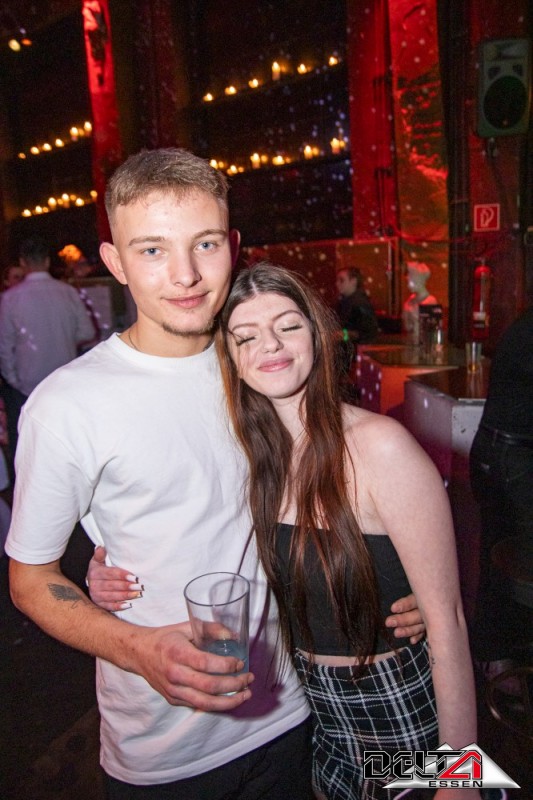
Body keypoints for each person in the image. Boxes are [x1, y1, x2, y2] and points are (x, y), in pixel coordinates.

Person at [6, 148, 424, 800]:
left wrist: (407, 581)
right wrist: (136, 647)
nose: (185, 275)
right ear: (114, 262)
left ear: (232, 247)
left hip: (296, 714)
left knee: (438, 777)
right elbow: (31, 580)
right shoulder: (66, 407)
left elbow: (337, 480)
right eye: (151, 250)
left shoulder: (258, 365)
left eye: (204, 244)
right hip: (165, 751)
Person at [88, 258, 478, 799]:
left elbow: (447, 620)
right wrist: (107, 571)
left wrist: (460, 778)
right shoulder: (245, 460)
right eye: (246, 336)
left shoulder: (380, 446)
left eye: (287, 325)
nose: (269, 345)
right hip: (303, 714)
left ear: (316, 333)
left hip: (389, 709)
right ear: (230, 358)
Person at [469, 306, 533, 683]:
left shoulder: (523, 324)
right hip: (513, 458)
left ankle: (493, 654)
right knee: (510, 555)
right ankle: (499, 658)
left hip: (497, 451)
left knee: (496, 551)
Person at [0, 236, 95, 477]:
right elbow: (87, 332)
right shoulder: (67, 292)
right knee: (67, 444)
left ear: (23, 262)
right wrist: (63, 338)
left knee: (29, 449)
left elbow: (4, 346)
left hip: (26, 383)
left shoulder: (11, 298)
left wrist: (14, 380)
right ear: (47, 261)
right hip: (64, 379)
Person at [335, 268, 379, 345]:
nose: (337, 284)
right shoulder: (344, 302)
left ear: (353, 281)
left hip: (357, 348)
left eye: (341, 280)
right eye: (337, 280)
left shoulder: (360, 304)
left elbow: (367, 333)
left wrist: (343, 335)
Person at [401, 261, 438, 342]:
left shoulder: (430, 301)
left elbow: (431, 328)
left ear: (418, 280)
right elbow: (407, 327)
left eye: (411, 282)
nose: (408, 285)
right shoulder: (410, 301)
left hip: (424, 343)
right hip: (411, 342)